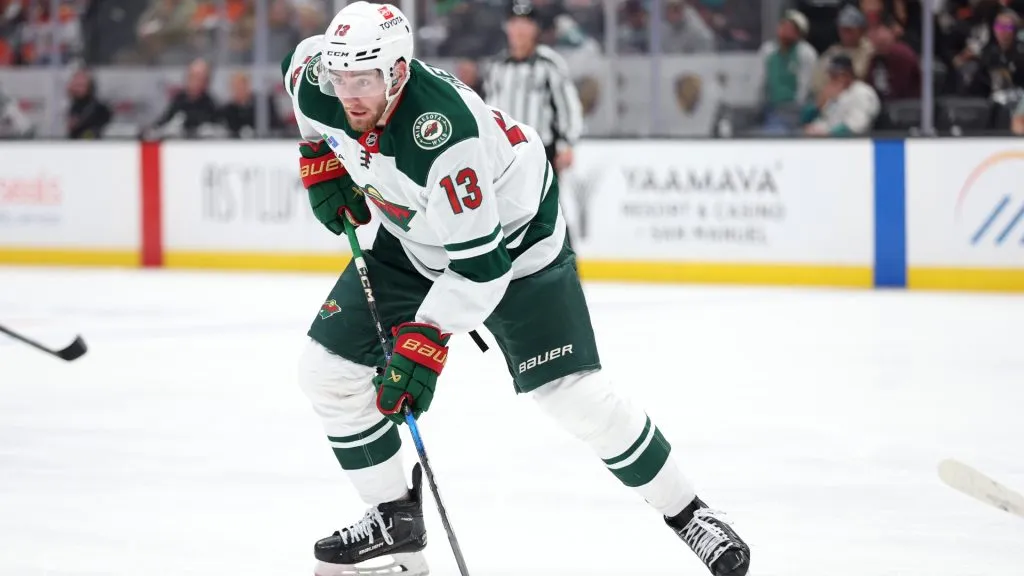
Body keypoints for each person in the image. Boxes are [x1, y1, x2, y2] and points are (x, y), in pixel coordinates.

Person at [281, 3, 751, 576]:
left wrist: (426, 338)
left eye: (365, 80)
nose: (349, 94)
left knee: (574, 397)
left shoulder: (441, 134)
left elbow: (481, 268)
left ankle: (690, 514)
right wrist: (317, 158)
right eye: (341, 79)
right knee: (326, 371)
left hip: (515, 243)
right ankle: (395, 531)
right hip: (412, 237)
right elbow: (305, 89)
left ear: (399, 72)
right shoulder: (318, 80)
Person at [483, 0, 583, 174]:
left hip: (540, 149)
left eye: (526, 23)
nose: (520, 29)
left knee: (541, 200)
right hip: (503, 151)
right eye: (514, 23)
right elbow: (488, 109)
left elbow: (568, 107)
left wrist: (567, 144)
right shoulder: (496, 66)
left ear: (536, 28)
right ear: (506, 27)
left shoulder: (549, 64)